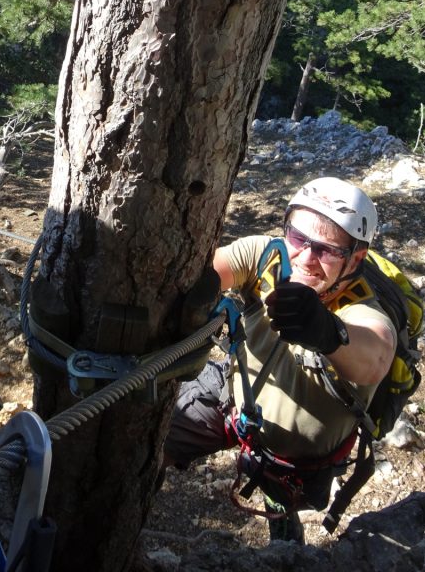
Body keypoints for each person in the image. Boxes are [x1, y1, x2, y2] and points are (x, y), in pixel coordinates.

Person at [164, 176, 397, 542]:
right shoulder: (268, 257)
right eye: (298, 238)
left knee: (281, 506)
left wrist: (327, 332)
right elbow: (211, 270)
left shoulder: (363, 310)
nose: (305, 258)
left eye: (327, 249)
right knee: (153, 433)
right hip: (234, 400)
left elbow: (375, 356)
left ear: (356, 258)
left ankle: (282, 522)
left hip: (294, 459)